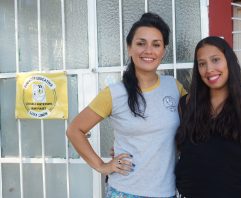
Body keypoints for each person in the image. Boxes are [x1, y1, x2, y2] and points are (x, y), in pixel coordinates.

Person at [66, 12, 186, 197]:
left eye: (156, 44)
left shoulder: (174, 87)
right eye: (140, 43)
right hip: (125, 191)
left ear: (164, 51)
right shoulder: (114, 93)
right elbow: (75, 130)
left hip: (166, 191)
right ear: (129, 48)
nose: (148, 50)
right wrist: (102, 166)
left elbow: (197, 121)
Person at [175, 36, 241, 198]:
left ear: (229, 61)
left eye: (215, 60)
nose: (209, 69)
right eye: (202, 64)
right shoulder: (187, 104)